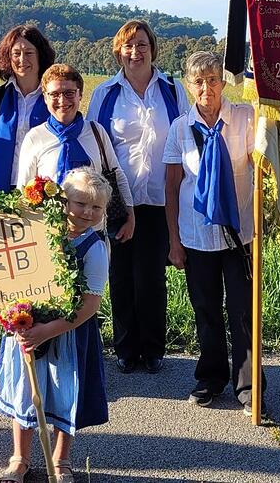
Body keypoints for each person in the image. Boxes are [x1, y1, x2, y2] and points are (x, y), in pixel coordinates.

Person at [0, 166, 111, 483]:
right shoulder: (40, 232)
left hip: (67, 333)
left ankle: (61, 460)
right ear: (63, 201)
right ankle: (19, 457)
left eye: (96, 207)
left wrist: (48, 330)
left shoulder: (94, 248)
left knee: (62, 394)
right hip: (27, 325)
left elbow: (90, 304)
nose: (87, 212)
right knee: (26, 390)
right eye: (80, 203)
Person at [163, 50, 266, 416]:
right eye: (198, 81)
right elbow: (172, 188)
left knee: (241, 310)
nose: (206, 87)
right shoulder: (179, 128)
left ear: (223, 82)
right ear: (188, 86)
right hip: (196, 237)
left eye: (212, 79)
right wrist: (174, 241)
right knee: (205, 309)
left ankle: (249, 385)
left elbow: (265, 157)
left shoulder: (245, 117)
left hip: (239, 235)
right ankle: (210, 377)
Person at [86, 19, 191, 375]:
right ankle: (125, 349)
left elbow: (186, 138)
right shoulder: (105, 93)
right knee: (120, 274)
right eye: (129, 45)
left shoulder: (173, 89)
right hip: (118, 200)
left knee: (151, 276)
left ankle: (153, 349)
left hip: (163, 198)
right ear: (119, 51)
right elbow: (95, 144)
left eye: (142, 44)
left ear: (153, 49)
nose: (135, 51)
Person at [15, 63, 135, 236]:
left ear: (80, 95)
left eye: (69, 93)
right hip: (50, 233)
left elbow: (117, 174)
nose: (62, 101)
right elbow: (23, 189)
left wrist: (130, 216)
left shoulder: (96, 132)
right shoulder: (35, 137)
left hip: (93, 232)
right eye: (54, 94)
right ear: (45, 98)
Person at [0, 25, 56, 195]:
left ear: (41, 55)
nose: (22, 59)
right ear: (8, 57)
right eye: (16, 53)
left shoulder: (54, 97)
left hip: (44, 192)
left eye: (29, 53)